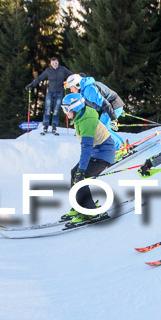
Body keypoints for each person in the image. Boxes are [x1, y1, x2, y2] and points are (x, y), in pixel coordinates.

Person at [60, 93, 116, 224]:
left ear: (76, 108)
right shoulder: (80, 117)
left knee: (80, 176)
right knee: (74, 173)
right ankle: (79, 204)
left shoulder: (86, 122)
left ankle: (90, 210)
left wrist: (82, 169)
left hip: (103, 155)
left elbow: (86, 148)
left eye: (66, 109)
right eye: (64, 109)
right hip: (97, 153)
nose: (65, 113)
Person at [65, 73, 126, 154]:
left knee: (103, 129)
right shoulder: (86, 88)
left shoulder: (88, 90)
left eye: (71, 87)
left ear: (77, 85)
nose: (71, 91)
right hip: (113, 106)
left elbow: (104, 103)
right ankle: (122, 146)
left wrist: (114, 117)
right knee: (104, 128)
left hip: (112, 106)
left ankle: (120, 148)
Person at [26, 57, 73, 135]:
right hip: (50, 92)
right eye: (53, 64)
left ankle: (54, 126)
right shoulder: (48, 71)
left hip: (59, 92)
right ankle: (46, 125)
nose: (55, 65)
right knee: (48, 109)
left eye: (56, 63)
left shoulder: (62, 69)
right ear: (51, 64)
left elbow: (71, 75)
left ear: (58, 63)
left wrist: (76, 79)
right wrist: (31, 85)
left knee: (56, 110)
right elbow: (39, 78)